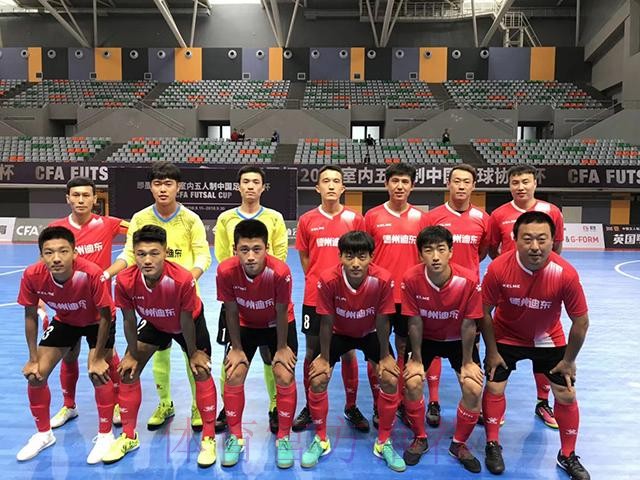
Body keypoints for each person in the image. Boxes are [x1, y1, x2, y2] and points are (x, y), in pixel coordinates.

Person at [480, 211, 590, 479]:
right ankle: (492, 444)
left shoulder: (565, 273)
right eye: (527, 239)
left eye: (542, 239)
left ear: (553, 240)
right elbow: (483, 312)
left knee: (566, 394)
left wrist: (569, 360)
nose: (535, 246)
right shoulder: (498, 268)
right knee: (494, 386)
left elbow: (581, 321)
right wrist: (491, 352)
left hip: (547, 338)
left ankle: (567, 454)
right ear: (515, 239)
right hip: (506, 336)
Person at [110, 161, 212, 432]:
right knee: (159, 353)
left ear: (178, 187)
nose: (163, 189)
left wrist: (186, 281)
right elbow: (129, 254)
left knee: (194, 356)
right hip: (152, 304)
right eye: (157, 183)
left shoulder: (190, 219)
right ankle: (165, 403)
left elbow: (203, 255)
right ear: (151, 187)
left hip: (185, 302)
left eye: (168, 183)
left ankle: (197, 405)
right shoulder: (140, 218)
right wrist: (108, 273)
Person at [104, 225, 217, 467]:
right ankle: (129, 436)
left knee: (201, 369)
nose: (147, 260)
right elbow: (129, 320)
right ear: (134, 254)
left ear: (165, 251)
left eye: (154, 253)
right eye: (141, 254)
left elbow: (185, 320)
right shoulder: (124, 280)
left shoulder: (182, 279)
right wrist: (132, 353)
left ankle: (209, 438)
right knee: (128, 370)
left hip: (188, 323)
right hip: (154, 322)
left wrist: (193, 353)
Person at [303, 231, 404, 472]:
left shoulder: (383, 279)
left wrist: (384, 356)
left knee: (390, 378)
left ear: (371, 257)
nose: (356, 263)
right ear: (340, 257)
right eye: (349, 256)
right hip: (338, 333)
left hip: (370, 333)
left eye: (362, 256)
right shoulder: (328, 279)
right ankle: (321, 439)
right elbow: (326, 321)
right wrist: (324, 358)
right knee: (317, 378)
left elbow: (383, 320)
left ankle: (384, 441)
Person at [16, 226, 116, 464]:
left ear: (74, 253)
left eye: (63, 251)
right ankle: (44, 434)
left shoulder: (91, 274)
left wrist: (98, 357)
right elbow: (30, 315)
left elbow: (106, 315)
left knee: (97, 373)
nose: (56, 258)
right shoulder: (32, 275)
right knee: (35, 375)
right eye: (49, 252)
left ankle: (106, 435)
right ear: (41, 255)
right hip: (65, 320)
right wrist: (32, 358)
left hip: (97, 321)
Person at [292, 166, 370, 434]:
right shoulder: (307, 220)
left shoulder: (355, 219)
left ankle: (351, 406)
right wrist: (319, 281)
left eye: (336, 181)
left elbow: (362, 256)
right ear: (318, 188)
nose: (331, 185)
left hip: (348, 297)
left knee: (348, 351)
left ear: (343, 188)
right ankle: (309, 406)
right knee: (312, 352)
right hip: (315, 297)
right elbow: (305, 257)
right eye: (326, 181)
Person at [46, 177, 128, 430]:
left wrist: (113, 270)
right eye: (75, 195)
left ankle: (117, 403)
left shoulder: (109, 224)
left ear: (95, 199)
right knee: (69, 355)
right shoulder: (56, 229)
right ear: (68, 198)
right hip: (68, 309)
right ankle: (69, 406)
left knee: (107, 356)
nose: (80, 200)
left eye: (85, 195)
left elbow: (140, 229)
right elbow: (45, 265)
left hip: (100, 309)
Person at [488, 164, 565, 429]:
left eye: (525, 181)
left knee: (543, 344)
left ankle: (543, 402)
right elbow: (492, 248)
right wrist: (507, 271)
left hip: (542, 289)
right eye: (515, 182)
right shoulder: (499, 214)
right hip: (510, 290)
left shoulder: (551, 211)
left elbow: (556, 246)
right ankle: (495, 408)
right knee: (504, 349)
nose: (520, 187)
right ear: (509, 185)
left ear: (535, 183)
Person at [401, 226, 484, 472]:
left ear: (451, 252)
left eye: (441, 249)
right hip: (426, 339)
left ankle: (458, 444)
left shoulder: (468, 280)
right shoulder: (411, 279)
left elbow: (469, 324)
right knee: (412, 381)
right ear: (420, 255)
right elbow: (414, 321)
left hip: (458, 340)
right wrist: (416, 359)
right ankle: (420, 438)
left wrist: (468, 362)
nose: (435, 256)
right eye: (428, 251)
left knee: (473, 387)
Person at [216, 219, 298, 469]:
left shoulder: (280, 272)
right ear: (235, 249)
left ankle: (284, 438)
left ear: (267, 248)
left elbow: (282, 310)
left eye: (256, 249)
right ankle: (236, 437)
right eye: (244, 249)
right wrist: (236, 348)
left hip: (277, 325)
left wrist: (282, 348)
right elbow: (230, 310)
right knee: (233, 374)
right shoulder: (226, 271)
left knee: (284, 374)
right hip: (245, 325)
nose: (250, 256)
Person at [214, 165, 288, 434]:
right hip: (237, 295)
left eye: (256, 182)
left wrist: (260, 282)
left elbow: (280, 254)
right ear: (238, 186)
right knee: (231, 358)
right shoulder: (225, 219)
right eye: (245, 181)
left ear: (262, 187)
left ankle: (275, 404)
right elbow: (222, 255)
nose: (250, 186)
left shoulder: (275, 218)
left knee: (271, 356)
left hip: (267, 296)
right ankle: (228, 407)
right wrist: (240, 280)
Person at [424, 164, 491, 427]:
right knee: (433, 344)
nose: (461, 186)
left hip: (468, 295)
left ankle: (472, 402)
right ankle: (433, 400)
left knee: (469, 346)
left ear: (473, 186)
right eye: (456, 181)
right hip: (436, 292)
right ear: (448, 184)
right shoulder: (434, 216)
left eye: (466, 181)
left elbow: (482, 251)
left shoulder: (483, 218)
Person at [364, 162, 429, 422]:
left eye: (405, 182)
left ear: (412, 186)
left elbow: (426, 256)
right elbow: (364, 256)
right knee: (376, 351)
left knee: (403, 348)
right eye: (395, 181)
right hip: (378, 296)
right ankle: (378, 402)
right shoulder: (372, 217)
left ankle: (399, 400)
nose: (399, 186)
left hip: (409, 297)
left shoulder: (421, 219)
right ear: (386, 184)